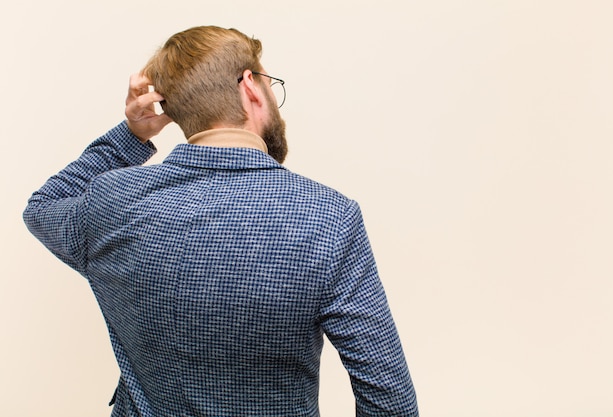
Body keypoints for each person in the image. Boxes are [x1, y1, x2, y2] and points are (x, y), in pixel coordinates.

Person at [23, 25, 418, 417]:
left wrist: (132, 134)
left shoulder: (112, 202)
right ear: (250, 86)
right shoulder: (328, 217)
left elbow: (43, 207)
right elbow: (390, 402)